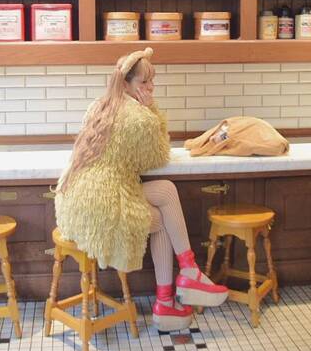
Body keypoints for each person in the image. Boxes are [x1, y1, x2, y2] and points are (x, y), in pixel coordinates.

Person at [55, 48, 228, 331]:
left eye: (152, 81)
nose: (151, 87)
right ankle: (176, 288)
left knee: (166, 191)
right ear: (126, 84)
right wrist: (152, 110)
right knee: (162, 222)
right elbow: (158, 157)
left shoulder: (99, 105)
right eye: (144, 82)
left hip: (78, 197)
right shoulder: (139, 117)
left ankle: (181, 282)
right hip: (103, 203)